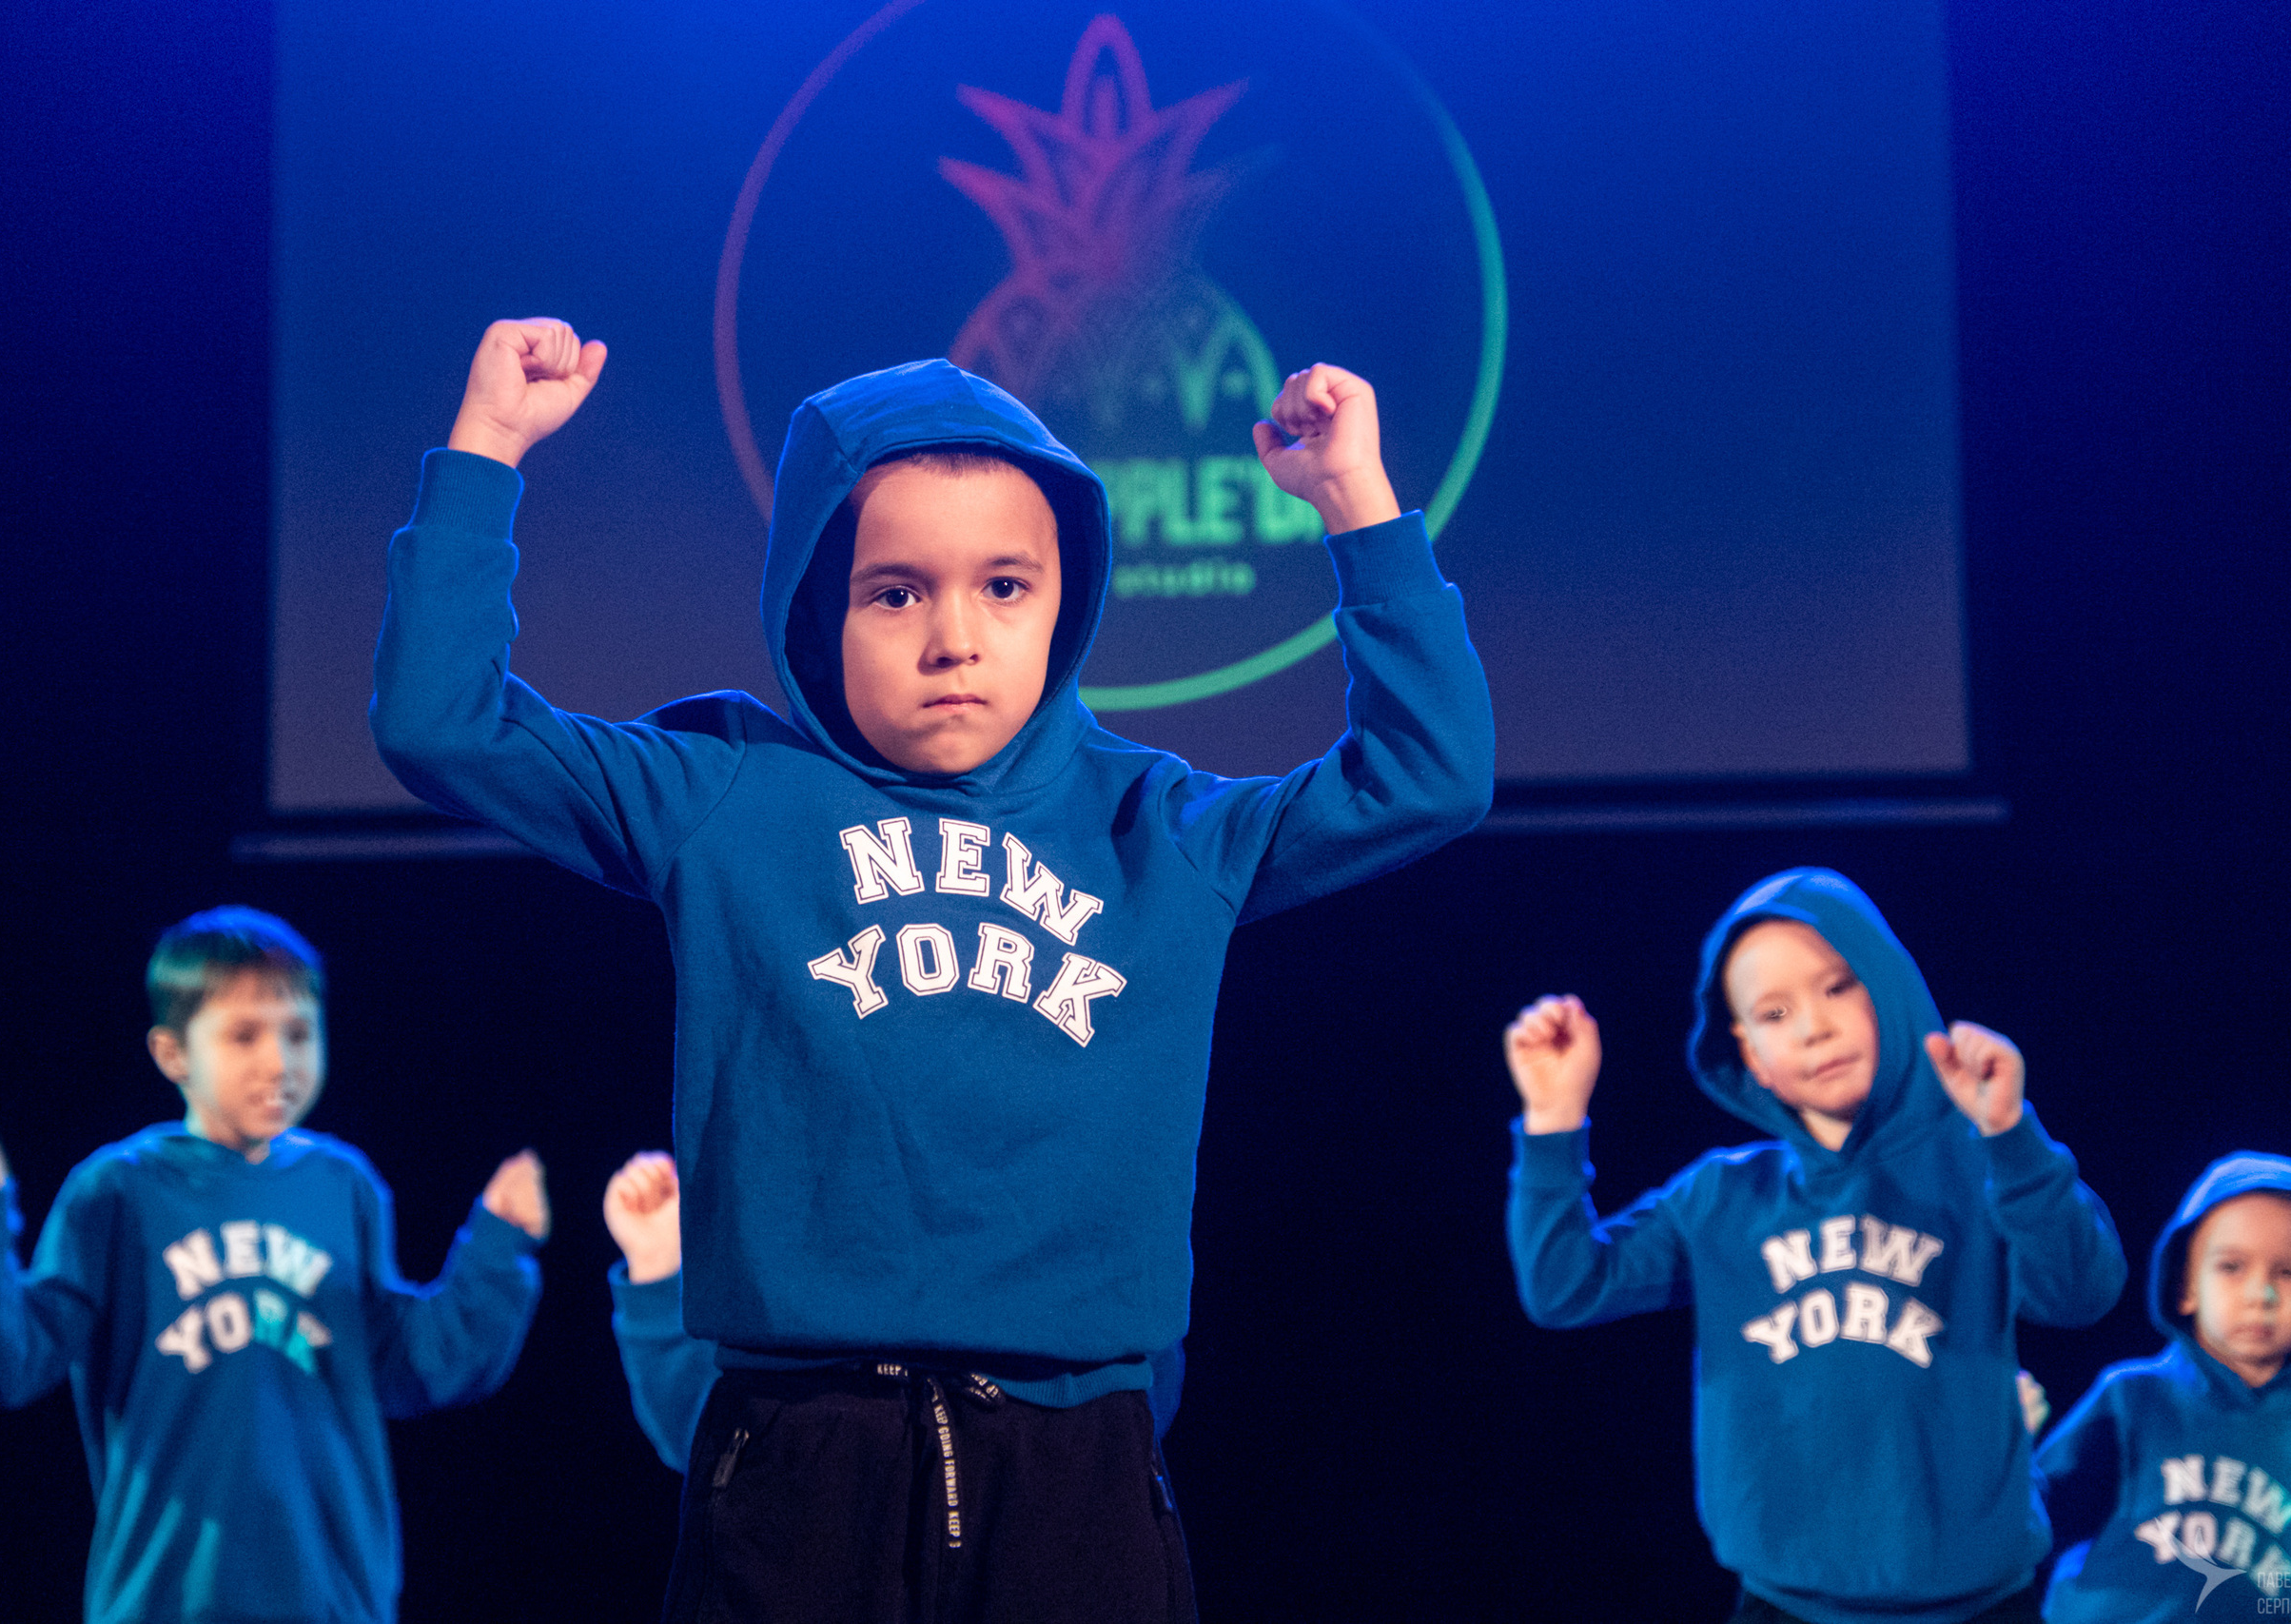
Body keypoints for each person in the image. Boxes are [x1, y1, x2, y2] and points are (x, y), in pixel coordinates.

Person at [371, 320, 1493, 1621]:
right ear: (816, 606)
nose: (955, 636)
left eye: (1005, 586)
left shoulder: (1164, 826)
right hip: (798, 1463)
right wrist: (488, 446)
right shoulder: (724, 792)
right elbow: (438, 722)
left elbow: (1430, 777)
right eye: (896, 590)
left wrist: (1356, 499)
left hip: (1077, 1465)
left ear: (1064, 598)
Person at [1503, 868, 2126, 1624]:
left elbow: (2081, 1291)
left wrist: (2010, 1135)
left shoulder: (1978, 1165)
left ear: (1888, 986)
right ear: (1750, 1051)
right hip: (1783, 1605)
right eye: (1775, 1010)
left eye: (1837, 987)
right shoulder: (1721, 1197)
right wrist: (1554, 1117)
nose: (1813, 1025)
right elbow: (1565, 1285)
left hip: (1978, 1604)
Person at [0, 906, 548, 1624]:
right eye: (244, 1034)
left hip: (332, 1595)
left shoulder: (342, 1184)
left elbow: (411, 1363)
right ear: (172, 1054)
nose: (279, 1062)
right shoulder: (118, 1189)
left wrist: (497, 1246)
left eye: (298, 1032)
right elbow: (5, 1362)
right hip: (168, 1597)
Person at [600, 1152, 1185, 1474]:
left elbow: (1139, 1409)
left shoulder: (1049, 1252)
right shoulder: (815, 1255)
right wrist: (659, 1266)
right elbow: (709, 1435)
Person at [2035, 1152, 2291, 1617]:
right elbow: (2031, 1527)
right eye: (2232, 1267)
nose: (2261, 1294)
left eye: (2290, 1272)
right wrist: (2004, 1445)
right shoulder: (2132, 1399)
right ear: (2186, 1286)